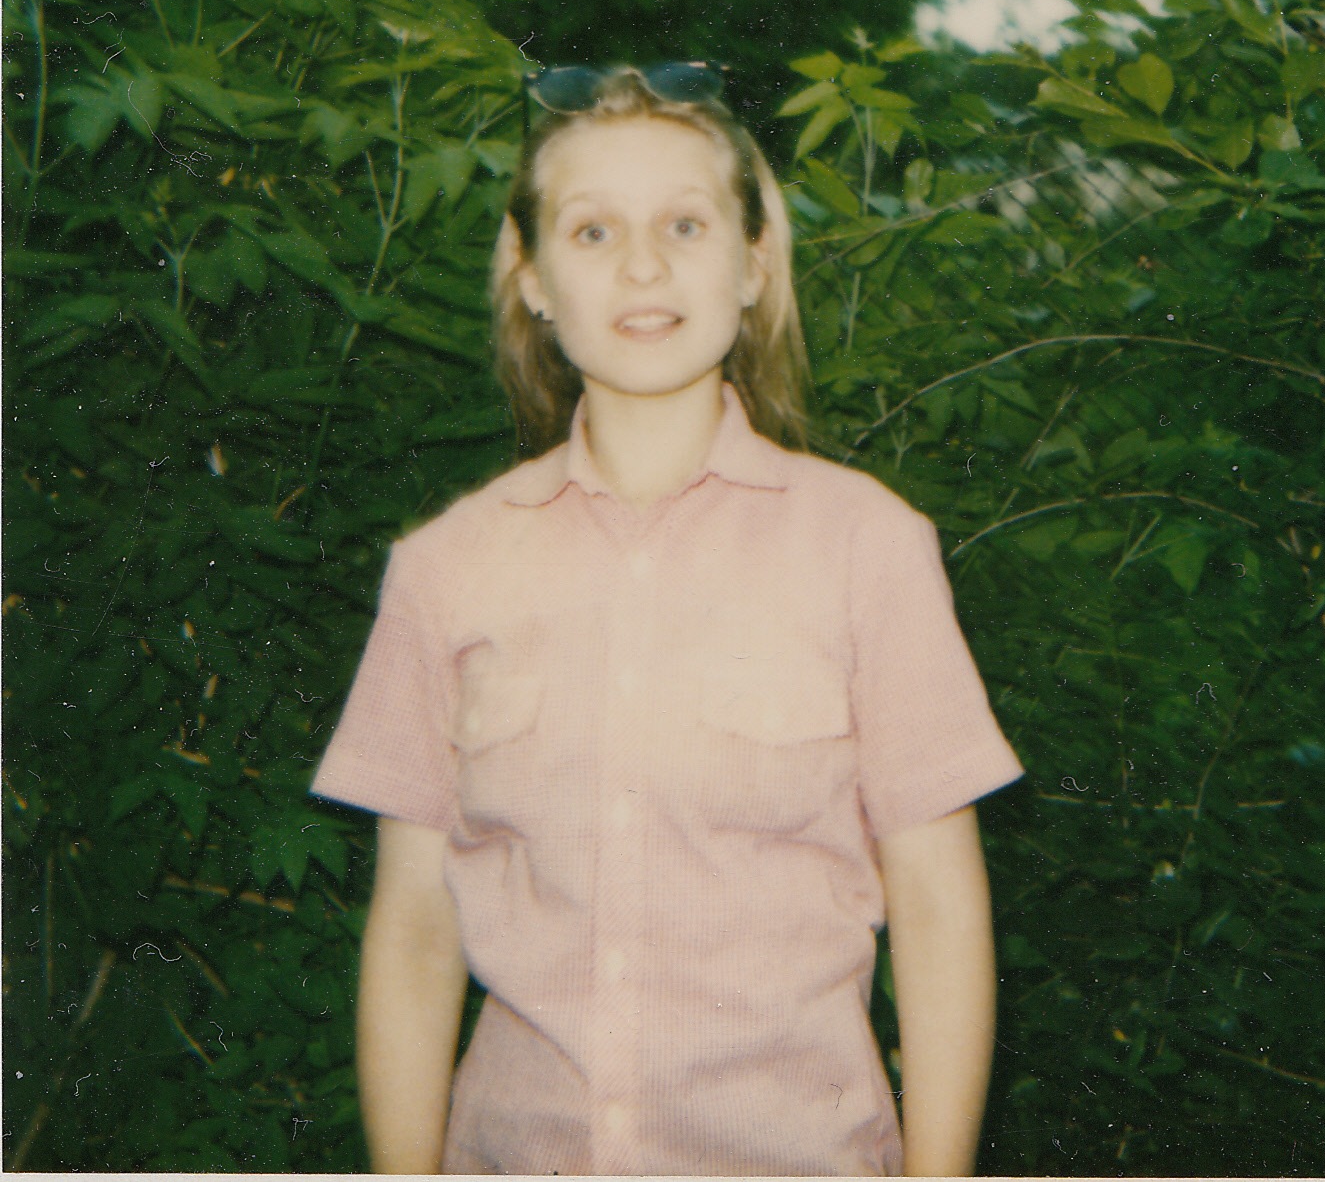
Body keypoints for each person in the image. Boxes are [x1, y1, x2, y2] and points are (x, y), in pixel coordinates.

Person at [312, 62, 1022, 1177]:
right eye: (592, 231)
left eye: (684, 224)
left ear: (752, 263)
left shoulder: (867, 546)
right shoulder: (444, 568)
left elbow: (937, 906)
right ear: (533, 277)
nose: (642, 264)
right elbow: (413, 926)